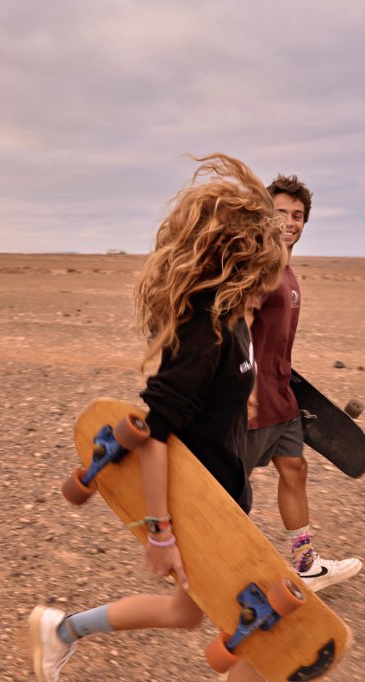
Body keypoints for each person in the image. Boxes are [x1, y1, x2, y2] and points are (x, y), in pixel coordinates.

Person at [29, 153, 288, 682]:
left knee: (185, 611)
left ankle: (59, 631)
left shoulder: (233, 317)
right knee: (271, 639)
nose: (276, 278)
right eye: (270, 266)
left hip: (225, 495)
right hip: (196, 506)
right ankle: (59, 633)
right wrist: (161, 535)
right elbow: (153, 434)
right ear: (242, 261)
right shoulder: (202, 329)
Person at [243, 174, 363, 592]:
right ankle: (203, 558)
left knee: (295, 469)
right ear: (264, 215)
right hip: (251, 399)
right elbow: (237, 324)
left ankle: (306, 565)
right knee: (228, 490)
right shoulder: (258, 268)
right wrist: (245, 390)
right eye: (281, 213)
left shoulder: (289, 272)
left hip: (283, 395)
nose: (290, 222)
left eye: (298, 215)